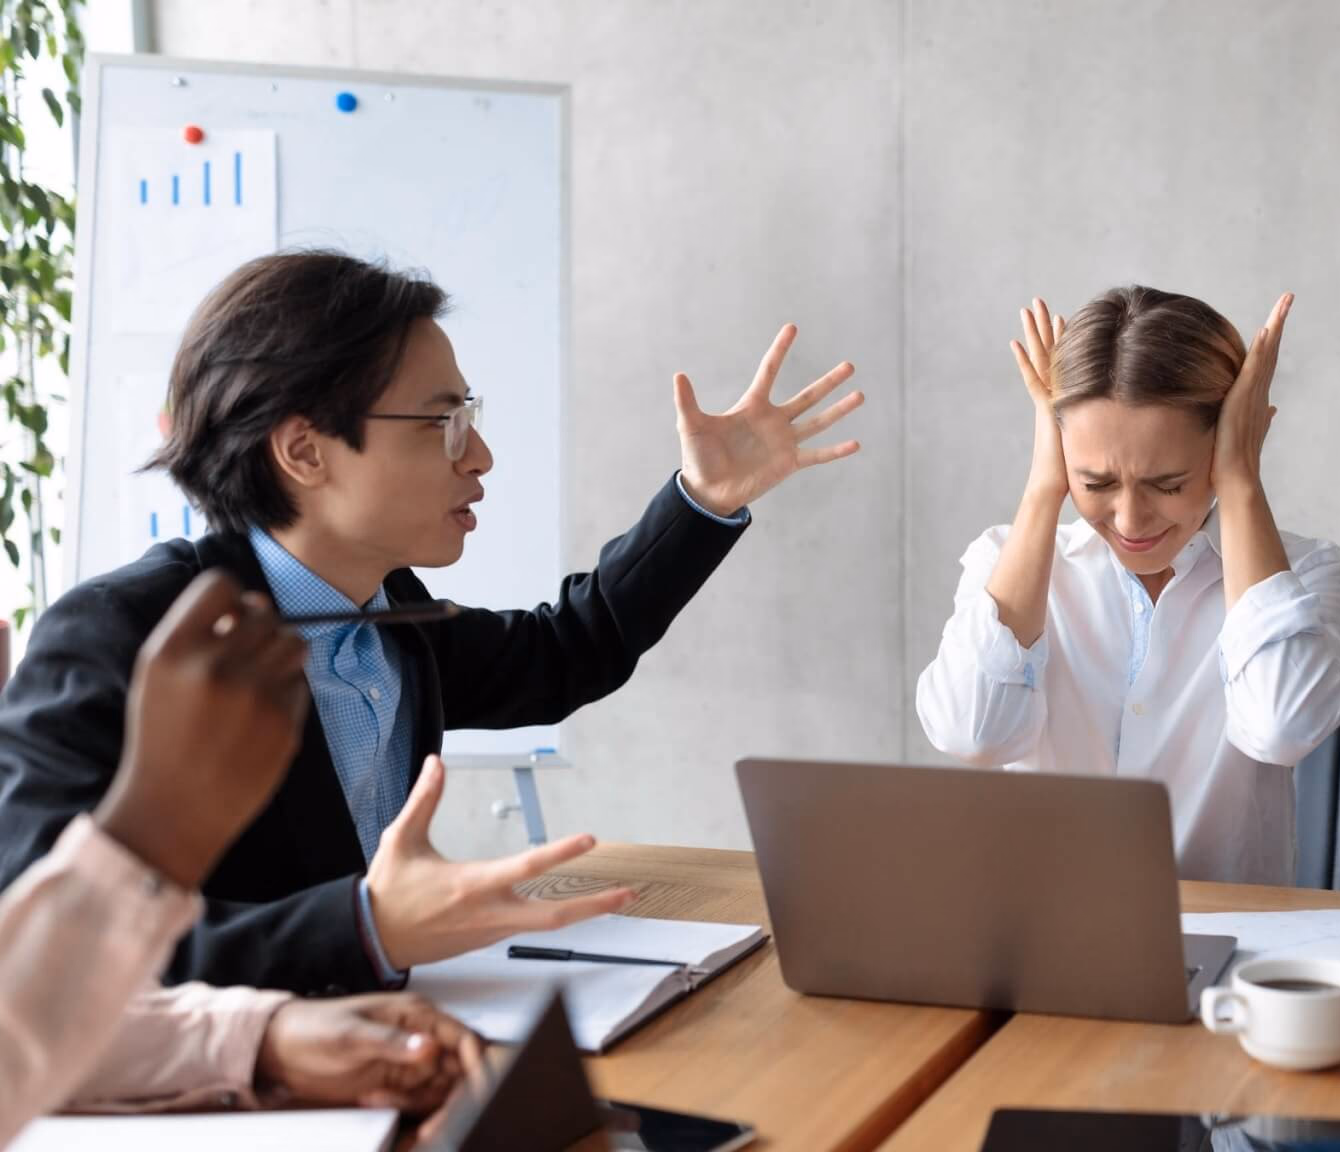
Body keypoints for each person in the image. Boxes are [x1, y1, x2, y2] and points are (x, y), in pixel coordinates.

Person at [0, 249, 865, 994]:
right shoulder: (121, 637)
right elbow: (41, 958)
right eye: (443, 424)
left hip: (384, 1046)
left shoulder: (390, 611)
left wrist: (701, 503)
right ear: (303, 451)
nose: (479, 457)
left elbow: (568, 650)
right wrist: (366, 929)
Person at [1, 571, 481, 1146]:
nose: (480, 472)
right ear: (302, 470)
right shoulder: (116, 620)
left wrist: (264, 1041)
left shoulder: (403, 614)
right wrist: (147, 836)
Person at [916, 288, 1340, 885]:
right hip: (1044, 944)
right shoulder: (1004, 562)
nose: (1129, 521)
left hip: (1233, 950)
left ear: (1228, 443)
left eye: (1169, 484)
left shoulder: (1306, 576)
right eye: (1096, 482)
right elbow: (973, 734)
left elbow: (1281, 726)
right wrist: (1045, 488)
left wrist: (1240, 483)